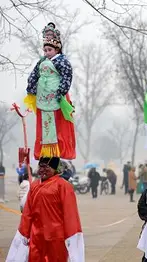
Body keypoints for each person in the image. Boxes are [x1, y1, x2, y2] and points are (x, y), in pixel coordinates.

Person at [6, 157, 84, 262]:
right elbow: (27, 214)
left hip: (56, 238)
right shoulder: (34, 185)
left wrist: (73, 240)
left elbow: (70, 216)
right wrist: (23, 235)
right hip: (36, 237)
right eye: (40, 166)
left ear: (55, 169)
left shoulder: (64, 186)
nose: (41, 170)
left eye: (46, 167)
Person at [24, 22, 75, 160]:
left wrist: (61, 91)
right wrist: (31, 88)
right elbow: (34, 75)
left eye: (49, 50)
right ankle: (44, 153)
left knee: (58, 127)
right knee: (44, 127)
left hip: (57, 98)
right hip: (43, 98)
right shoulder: (41, 62)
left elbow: (67, 76)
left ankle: (57, 152)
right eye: (45, 50)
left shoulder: (62, 61)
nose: (46, 53)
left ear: (57, 50)